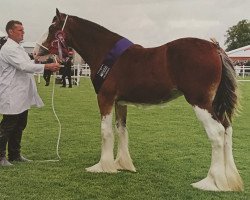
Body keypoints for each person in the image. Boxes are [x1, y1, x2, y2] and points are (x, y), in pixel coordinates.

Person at [0, 20, 60, 167]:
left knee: (20, 124)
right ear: (10, 32)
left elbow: (30, 63)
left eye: (23, 30)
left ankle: (14, 154)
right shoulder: (9, 49)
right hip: (11, 93)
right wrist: (47, 66)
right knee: (8, 125)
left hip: (21, 93)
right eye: (20, 30)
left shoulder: (18, 48)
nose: (23, 33)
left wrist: (45, 62)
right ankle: (0, 157)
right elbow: (23, 66)